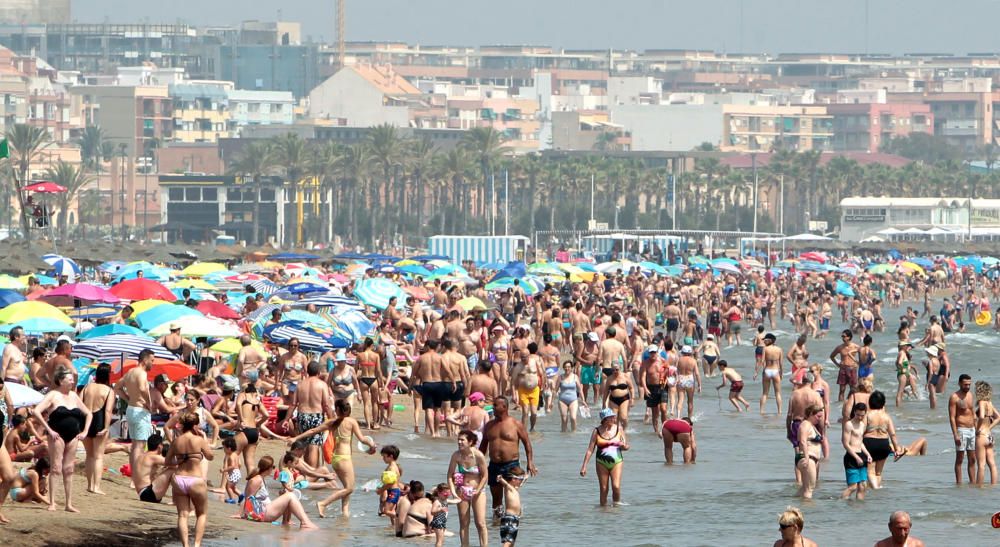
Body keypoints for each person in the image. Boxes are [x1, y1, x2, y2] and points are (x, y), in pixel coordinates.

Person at [288, 399, 377, 518]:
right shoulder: (351, 421)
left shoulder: (332, 422)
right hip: (345, 459)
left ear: (337, 410)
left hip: (335, 459)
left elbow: (313, 431)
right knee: (350, 488)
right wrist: (372, 446)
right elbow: (362, 439)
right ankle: (323, 503)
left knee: (346, 487)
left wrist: (296, 438)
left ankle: (345, 514)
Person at [31, 366, 92, 513]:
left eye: (72, 378)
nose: (72, 381)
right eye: (69, 378)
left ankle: (68, 503)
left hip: (74, 435)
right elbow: (36, 411)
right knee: (56, 467)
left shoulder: (74, 395)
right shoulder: (53, 395)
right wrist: (49, 429)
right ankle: (52, 502)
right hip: (56, 434)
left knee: (69, 469)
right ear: (60, 380)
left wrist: (85, 431)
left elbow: (89, 413)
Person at [480, 396, 537, 523]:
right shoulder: (489, 425)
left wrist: (530, 462)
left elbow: (527, 443)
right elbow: (483, 447)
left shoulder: (516, 424)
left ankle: (513, 519)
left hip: (511, 465)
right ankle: (496, 523)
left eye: (495, 405)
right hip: (494, 465)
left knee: (510, 496)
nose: (492, 408)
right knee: (496, 499)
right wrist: (478, 466)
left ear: (504, 407)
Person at [164, 413, 213, 547]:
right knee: (201, 514)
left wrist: (181, 460)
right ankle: (196, 545)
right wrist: (204, 439)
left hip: (179, 479)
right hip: (195, 479)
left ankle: (185, 545)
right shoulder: (199, 440)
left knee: (182, 515)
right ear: (195, 425)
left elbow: (167, 461)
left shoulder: (176, 441)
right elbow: (210, 456)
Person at [239, 455, 317, 529]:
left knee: (287, 495)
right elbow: (248, 498)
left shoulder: (261, 479)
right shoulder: (257, 479)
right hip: (261, 513)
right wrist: (240, 514)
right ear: (268, 468)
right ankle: (305, 522)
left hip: (264, 511)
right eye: (273, 467)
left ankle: (286, 521)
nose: (273, 469)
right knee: (290, 496)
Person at [115, 348, 155, 481]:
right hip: (140, 410)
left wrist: (127, 398)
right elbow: (143, 389)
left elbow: (117, 387)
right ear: (145, 359)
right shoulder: (141, 373)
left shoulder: (130, 372)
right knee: (140, 445)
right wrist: (149, 403)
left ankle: (134, 475)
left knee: (135, 444)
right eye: (152, 360)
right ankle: (136, 477)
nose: (153, 363)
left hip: (132, 409)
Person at [447, 430, 489, 547]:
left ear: (470, 442)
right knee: (464, 523)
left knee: (480, 523)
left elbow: (485, 475)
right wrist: (453, 493)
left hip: (478, 491)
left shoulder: (478, 455)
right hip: (462, 490)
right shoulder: (456, 455)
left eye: (462, 440)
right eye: (458, 440)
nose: (459, 442)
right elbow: (450, 475)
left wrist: (478, 490)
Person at [580, 408, 629, 506]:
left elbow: (626, 446)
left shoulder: (619, 428)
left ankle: (616, 506)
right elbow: (590, 450)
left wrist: (624, 447)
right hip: (601, 462)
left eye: (613, 417)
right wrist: (584, 466)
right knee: (603, 488)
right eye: (610, 417)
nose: (613, 419)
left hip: (617, 461)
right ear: (604, 419)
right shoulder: (596, 431)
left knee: (616, 486)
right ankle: (603, 510)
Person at [81, 362, 115, 495]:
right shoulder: (108, 391)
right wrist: (106, 427)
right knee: (98, 456)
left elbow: (79, 404)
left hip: (85, 420)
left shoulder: (86, 387)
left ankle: (90, 485)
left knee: (89, 455)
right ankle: (96, 486)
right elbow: (108, 411)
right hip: (99, 420)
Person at [864, 391, 902, 490]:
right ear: (883, 403)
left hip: (869, 443)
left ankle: (875, 488)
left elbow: (862, 430)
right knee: (878, 472)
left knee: (870, 471)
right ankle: (875, 490)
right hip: (883, 444)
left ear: (870, 402)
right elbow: (892, 434)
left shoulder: (868, 415)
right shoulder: (887, 417)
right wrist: (897, 449)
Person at [948, 374, 977, 484]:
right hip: (961, 430)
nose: (968, 386)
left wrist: (977, 427)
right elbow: (952, 417)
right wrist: (955, 434)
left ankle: (972, 483)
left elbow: (972, 412)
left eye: (969, 384)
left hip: (972, 430)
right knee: (960, 459)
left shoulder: (970, 395)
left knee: (972, 459)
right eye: (965, 384)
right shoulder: (954, 397)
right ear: (959, 383)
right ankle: (959, 483)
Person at [842, 402, 872, 500]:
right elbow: (845, 444)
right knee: (853, 487)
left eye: (862, 415)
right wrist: (856, 457)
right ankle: (840, 502)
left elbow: (860, 442)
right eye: (858, 415)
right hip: (851, 457)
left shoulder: (863, 425)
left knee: (863, 485)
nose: (860, 417)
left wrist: (868, 454)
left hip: (861, 455)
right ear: (854, 412)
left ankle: (859, 510)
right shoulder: (848, 424)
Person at [796, 404, 824, 499]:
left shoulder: (812, 426)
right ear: (811, 414)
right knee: (810, 488)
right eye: (818, 416)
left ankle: (796, 503)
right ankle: (809, 510)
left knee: (805, 488)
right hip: (807, 458)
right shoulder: (805, 424)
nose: (819, 419)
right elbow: (803, 441)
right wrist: (807, 458)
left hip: (813, 459)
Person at [974, 380, 999, 485]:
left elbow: (981, 416)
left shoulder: (982, 402)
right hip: (989, 435)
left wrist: (977, 429)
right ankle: (994, 485)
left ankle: (979, 487)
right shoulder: (990, 403)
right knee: (992, 464)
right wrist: (989, 427)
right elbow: (998, 417)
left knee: (981, 465)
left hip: (982, 436)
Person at [496, 469, 525, 547]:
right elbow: (505, 484)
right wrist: (501, 479)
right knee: (508, 542)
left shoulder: (515, 489)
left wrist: (526, 476)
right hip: (509, 518)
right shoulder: (509, 488)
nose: (521, 481)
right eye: (520, 479)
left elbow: (522, 483)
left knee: (511, 542)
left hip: (515, 519)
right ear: (513, 479)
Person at [556, 360, 586, 432]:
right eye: (565, 367)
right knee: (564, 418)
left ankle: (574, 433)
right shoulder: (560, 377)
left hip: (573, 400)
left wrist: (583, 400)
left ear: (572, 368)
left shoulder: (575, 377)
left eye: (569, 367)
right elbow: (555, 390)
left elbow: (580, 390)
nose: (567, 369)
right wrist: (550, 402)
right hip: (562, 400)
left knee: (573, 418)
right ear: (563, 368)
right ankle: (563, 433)